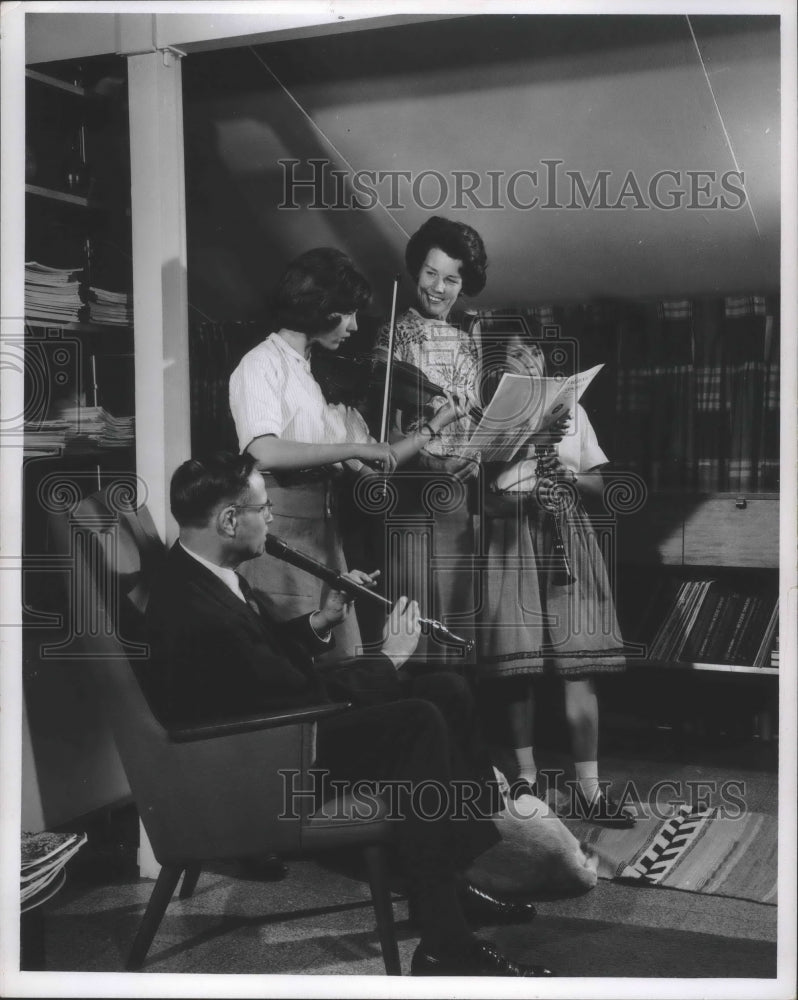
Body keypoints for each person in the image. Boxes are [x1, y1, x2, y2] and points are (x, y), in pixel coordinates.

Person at [143, 452, 555, 978]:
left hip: (272, 730)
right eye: (264, 508)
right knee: (418, 720)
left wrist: (321, 619)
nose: (270, 518)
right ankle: (445, 943)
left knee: (446, 688)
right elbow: (284, 692)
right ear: (228, 520)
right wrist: (386, 659)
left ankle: (450, 881)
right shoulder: (192, 605)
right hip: (257, 764)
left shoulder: (207, 573)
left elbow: (258, 667)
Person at [229, 247, 463, 662]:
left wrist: (437, 424)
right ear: (319, 308)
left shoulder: (306, 370)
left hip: (320, 538)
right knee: (307, 661)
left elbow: (377, 461)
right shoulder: (260, 364)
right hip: (280, 537)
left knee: (341, 660)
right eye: (347, 312)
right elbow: (261, 451)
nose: (355, 325)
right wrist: (355, 446)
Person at [475, 332, 635, 827]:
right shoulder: (493, 422)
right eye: (521, 365)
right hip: (513, 536)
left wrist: (567, 478)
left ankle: (588, 789)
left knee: (578, 661)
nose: (533, 371)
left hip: (567, 530)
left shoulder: (575, 416)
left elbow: (599, 484)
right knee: (519, 665)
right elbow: (486, 498)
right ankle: (525, 778)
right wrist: (532, 446)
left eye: (538, 364)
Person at [376, 216, 486, 664]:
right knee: (414, 617)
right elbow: (385, 433)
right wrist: (429, 460)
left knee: (458, 620)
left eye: (452, 279)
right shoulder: (392, 334)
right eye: (430, 273)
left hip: (457, 495)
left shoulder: (470, 340)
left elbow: (473, 418)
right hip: (410, 493)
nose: (439, 288)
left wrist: (475, 457)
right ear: (415, 272)